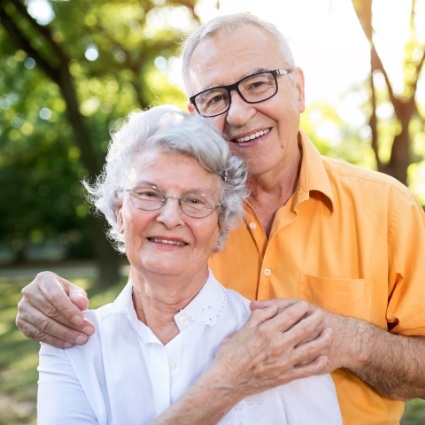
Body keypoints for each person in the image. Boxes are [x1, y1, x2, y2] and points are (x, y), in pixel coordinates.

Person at [17, 13, 425, 425]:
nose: (239, 114)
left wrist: (349, 340)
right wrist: (48, 298)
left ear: (298, 89)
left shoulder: (389, 208)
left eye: (258, 83)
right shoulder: (189, 220)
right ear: (194, 113)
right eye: (215, 97)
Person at [36, 104, 343, 425]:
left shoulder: (279, 343)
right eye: (149, 193)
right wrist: (223, 387)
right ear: (119, 209)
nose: (169, 217)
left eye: (195, 200)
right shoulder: (73, 344)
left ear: (221, 227)